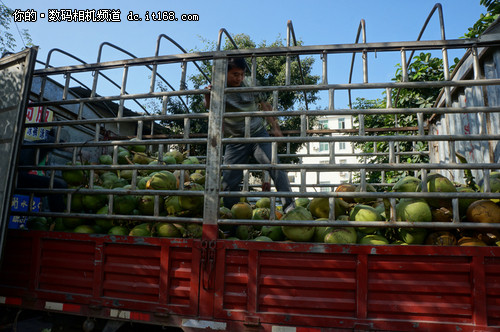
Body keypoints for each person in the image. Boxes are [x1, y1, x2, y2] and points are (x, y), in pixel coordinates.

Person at [204, 57, 295, 213]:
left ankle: (290, 209)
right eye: (235, 74)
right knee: (229, 180)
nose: (239, 78)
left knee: (275, 167)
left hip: (257, 134)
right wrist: (208, 93)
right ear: (224, 73)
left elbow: (265, 105)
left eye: (241, 74)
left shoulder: (251, 84)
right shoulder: (218, 87)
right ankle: (230, 216)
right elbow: (209, 106)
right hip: (235, 140)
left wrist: (275, 126)